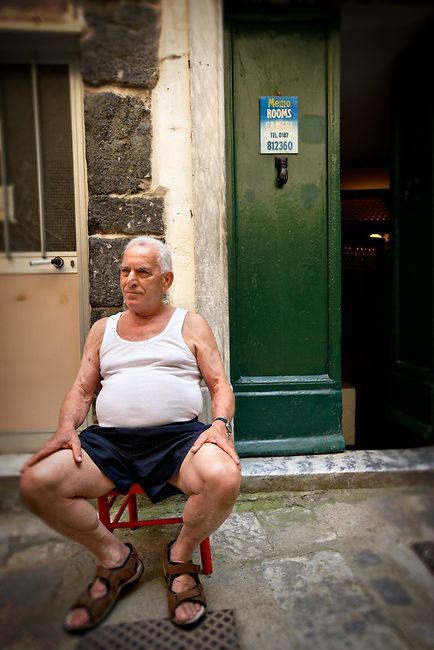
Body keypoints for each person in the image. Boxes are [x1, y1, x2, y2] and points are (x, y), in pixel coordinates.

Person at [20, 236, 241, 633]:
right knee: (37, 483)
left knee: (224, 477)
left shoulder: (189, 324)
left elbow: (220, 385)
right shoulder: (103, 329)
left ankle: (179, 555)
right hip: (111, 443)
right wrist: (65, 428)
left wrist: (220, 426)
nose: (130, 280)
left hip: (178, 441)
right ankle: (119, 559)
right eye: (125, 271)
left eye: (143, 271)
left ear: (166, 279)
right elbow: (82, 390)